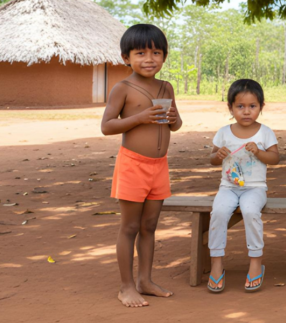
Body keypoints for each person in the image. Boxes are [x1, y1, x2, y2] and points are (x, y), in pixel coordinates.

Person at [101, 24, 181, 308]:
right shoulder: (122, 88)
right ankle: (126, 287)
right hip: (133, 165)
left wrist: (171, 116)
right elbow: (107, 126)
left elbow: (177, 124)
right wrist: (140, 117)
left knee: (150, 225)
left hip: (159, 165)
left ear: (164, 56)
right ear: (126, 57)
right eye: (141, 52)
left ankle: (145, 280)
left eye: (156, 52)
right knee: (130, 226)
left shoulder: (166, 87)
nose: (150, 58)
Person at [206, 79, 280, 293]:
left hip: (255, 188)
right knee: (218, 212)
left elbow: (275, 158)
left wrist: (259, 151)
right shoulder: (224, 132)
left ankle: (256, 262)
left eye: (252, 106)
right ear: (230, 108)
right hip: (228, 188)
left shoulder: (265, 132)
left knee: (250, 211)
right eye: (240, 106)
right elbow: (212, 159)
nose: (246, 111)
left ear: (261, 107)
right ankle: (216, 263)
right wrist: (217, 155)